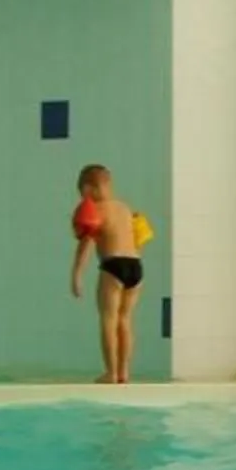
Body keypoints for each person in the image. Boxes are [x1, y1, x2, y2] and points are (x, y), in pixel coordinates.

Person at [66, 162, 148, 385]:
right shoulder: (124, 208)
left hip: (113, 266)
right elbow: (138, 240)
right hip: (136, 266)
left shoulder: (95, 210)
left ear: (88, 188)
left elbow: (86, 245)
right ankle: (124, 373)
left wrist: (76, 275)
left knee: (108, 320)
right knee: (126, 319)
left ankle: (110, 373)